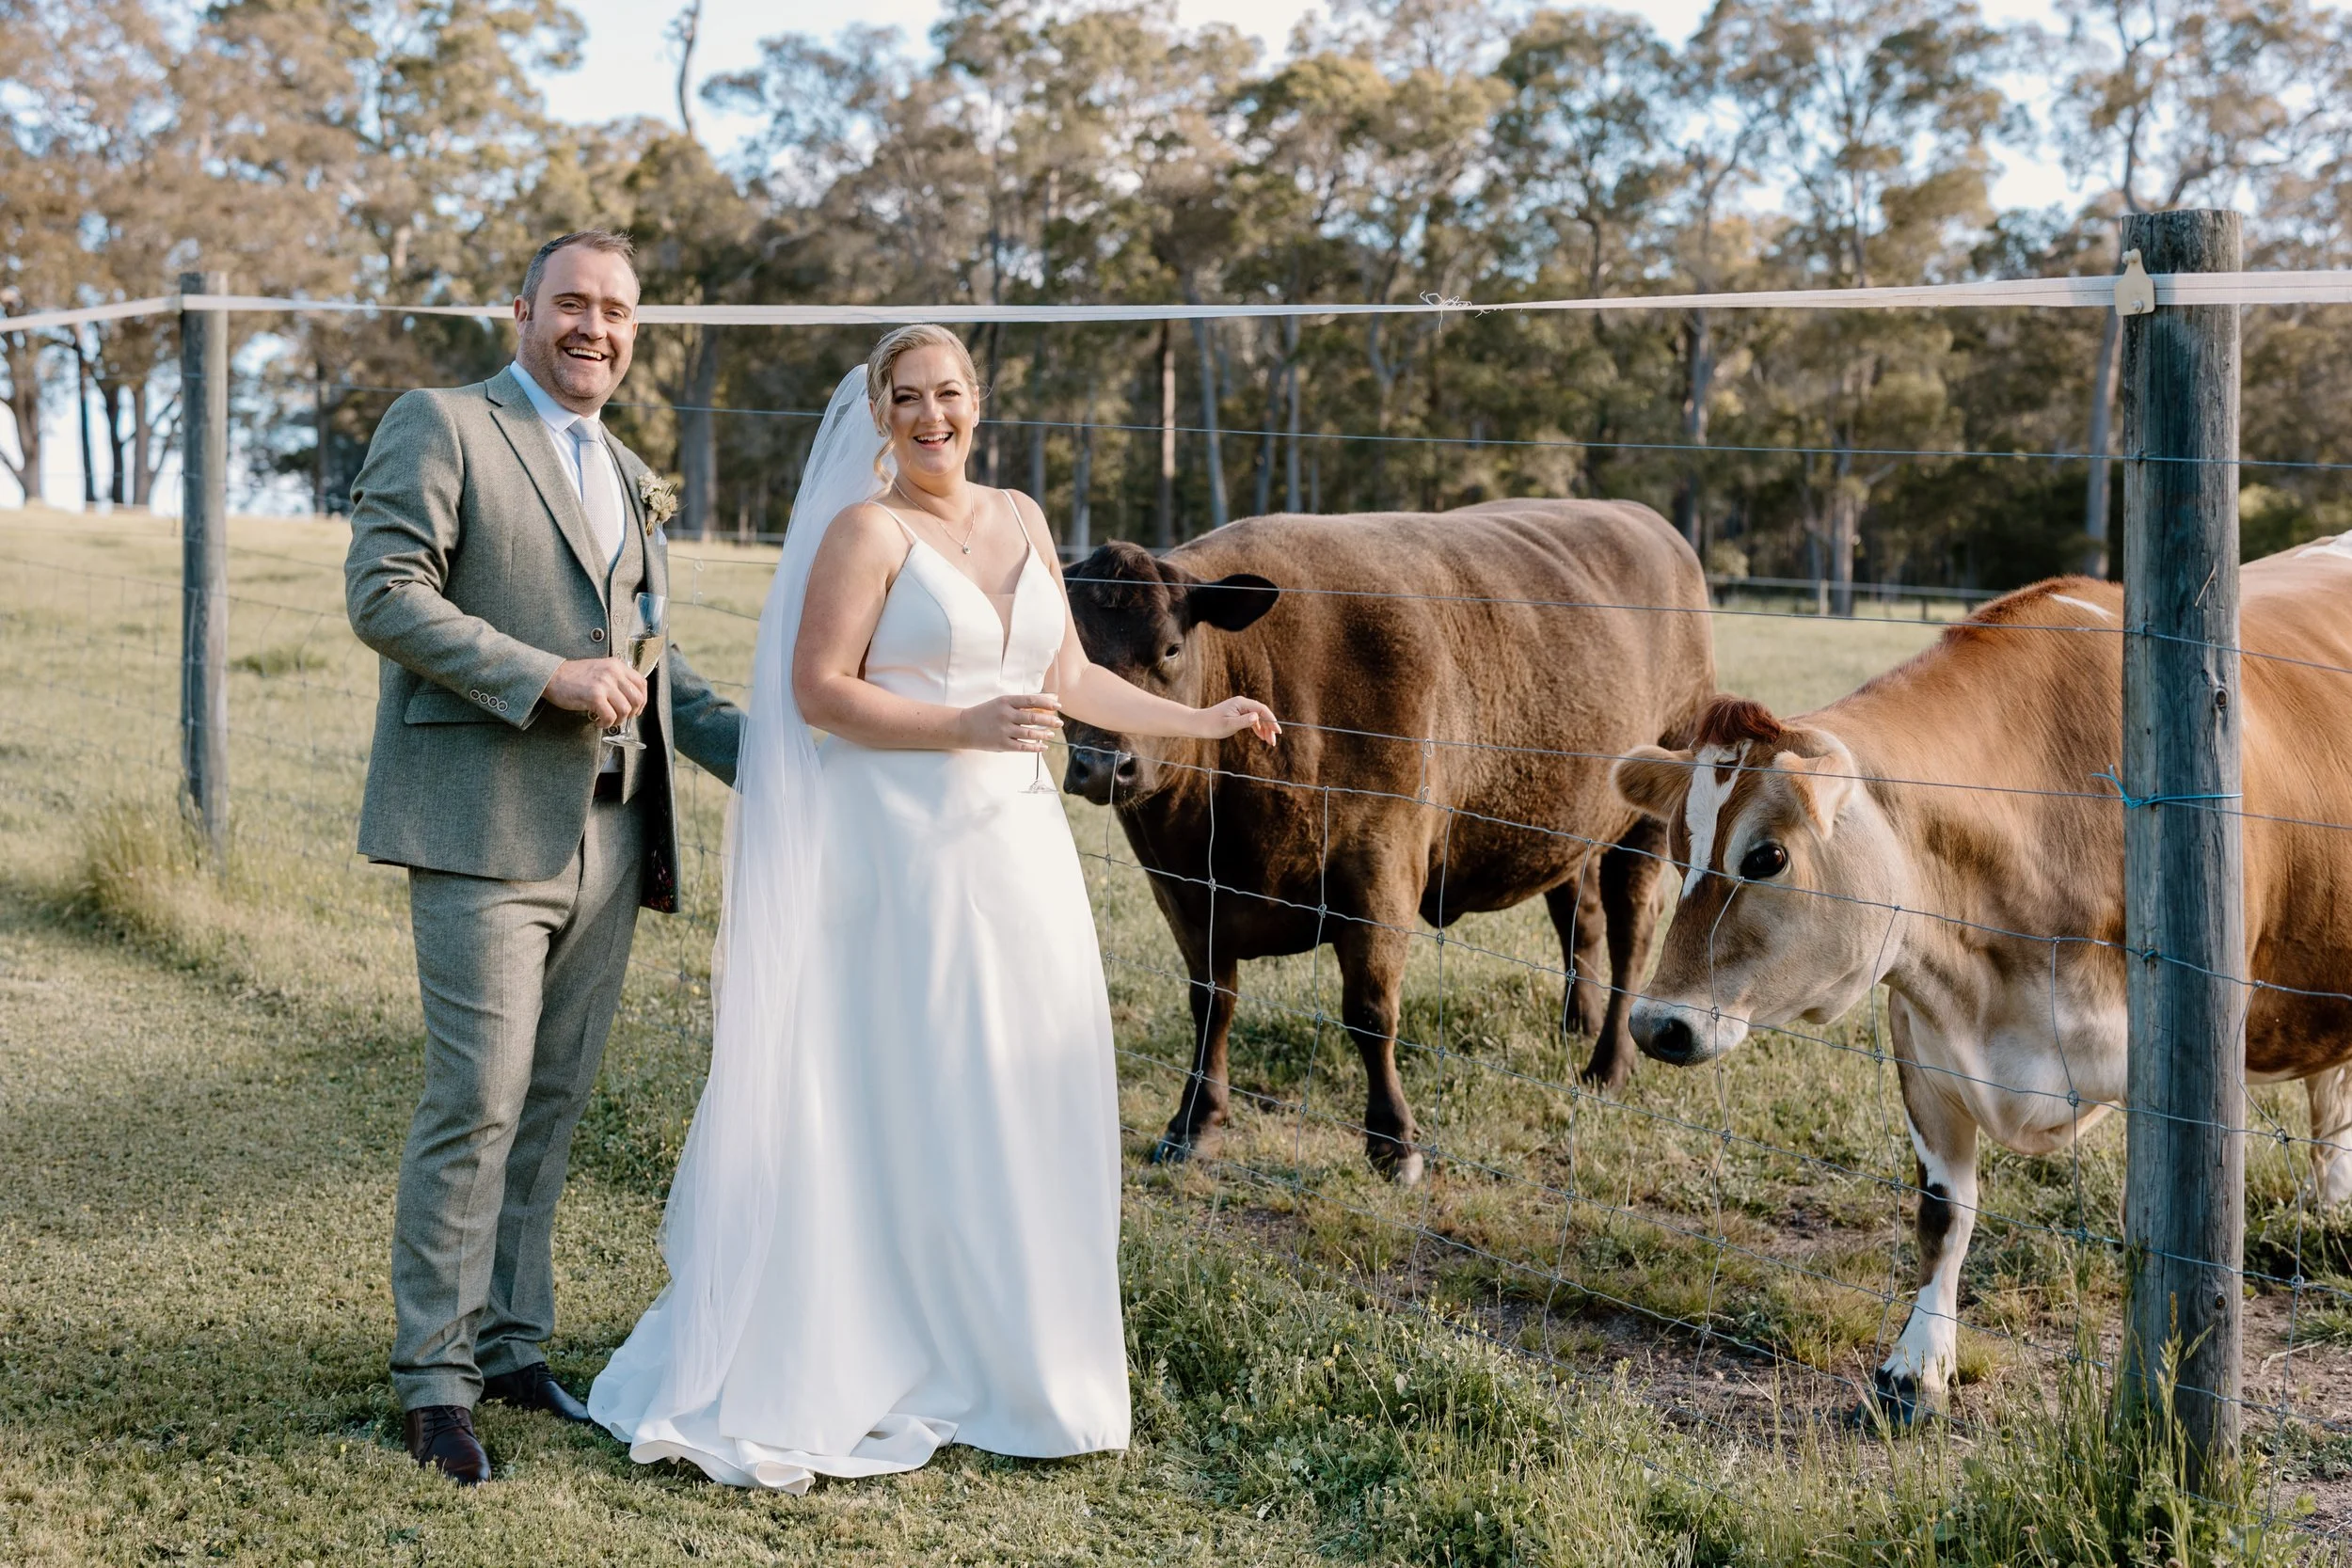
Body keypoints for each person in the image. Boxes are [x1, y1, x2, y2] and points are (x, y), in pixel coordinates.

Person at [588, 325, 1279, 1491]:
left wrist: (1201, 721)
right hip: (895, 851)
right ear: (879, 412)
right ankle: (871, 1344)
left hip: (1014, 849)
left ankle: (1011, 1356)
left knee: (1013, 1082)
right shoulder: (866, 531)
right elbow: (818, 691)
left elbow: (1066, 680)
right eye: (904, 398)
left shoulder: (1017, 516)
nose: (929, 416)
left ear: (977, 400)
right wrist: (962, 724)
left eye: (946, 393)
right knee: (900, 1082)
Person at [344, 230, 743, 1485]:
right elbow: (385, 593)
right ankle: (434, 1381)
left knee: (554, 1102)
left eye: (618, 311)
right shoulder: (444, 421)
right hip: (482, 830)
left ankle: (514, 1345)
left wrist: (791, 756)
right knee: (478, 1100)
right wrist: (547, 677)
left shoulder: (627, 468)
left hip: (616, 837)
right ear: (521, 309)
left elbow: (651, 661)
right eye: (572, 303)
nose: (595, 328)